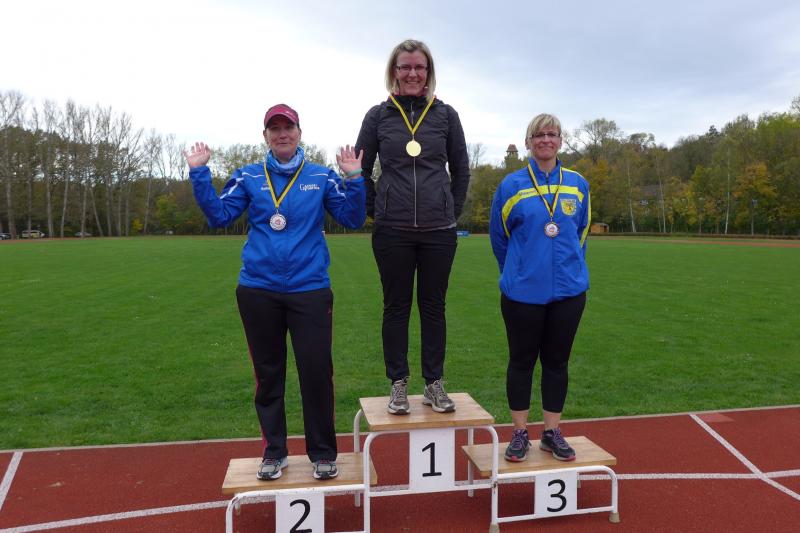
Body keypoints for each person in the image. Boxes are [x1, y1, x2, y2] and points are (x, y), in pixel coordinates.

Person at [184, 104, 366, 480]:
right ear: (265, 136)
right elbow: (219, 216)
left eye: (288, 127)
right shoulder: (248, 176)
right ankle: (274, 452)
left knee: (316, 373)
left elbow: (352, 218)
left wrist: (355, 178)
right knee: (268, 376)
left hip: (310, 289)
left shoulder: (321, 176)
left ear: (300, 132)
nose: (282, 133)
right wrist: (199, 173)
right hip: (259, 289)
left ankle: (323, 453)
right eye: (275, 128)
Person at [355, 39, 470, 415]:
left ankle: (434, 383)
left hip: (439, 230)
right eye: (405, 66)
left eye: (419, 67)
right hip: (393, 229)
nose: (412, 73)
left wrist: (450, 210)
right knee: (396, 307)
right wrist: (378, 210)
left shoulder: (446, 115)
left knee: (434, 307)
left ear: (428, 72)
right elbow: (360, 170)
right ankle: (398, 383)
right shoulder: (378, 116)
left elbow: (461, 169)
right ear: (394, 71)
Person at [489, 113, 590, 462]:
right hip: (522, 294)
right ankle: (519, 433)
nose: (546, 139)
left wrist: (572, 268)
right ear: (528, 142)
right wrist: (517, 271)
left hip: (569, 293)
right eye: (538, 135)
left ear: (561, 140)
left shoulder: (577, 184)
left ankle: (551, 432)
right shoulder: (511, 185)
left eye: (552, 134)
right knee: (521, 362)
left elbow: (582, 232)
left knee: (557, 363)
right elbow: (499, 237)